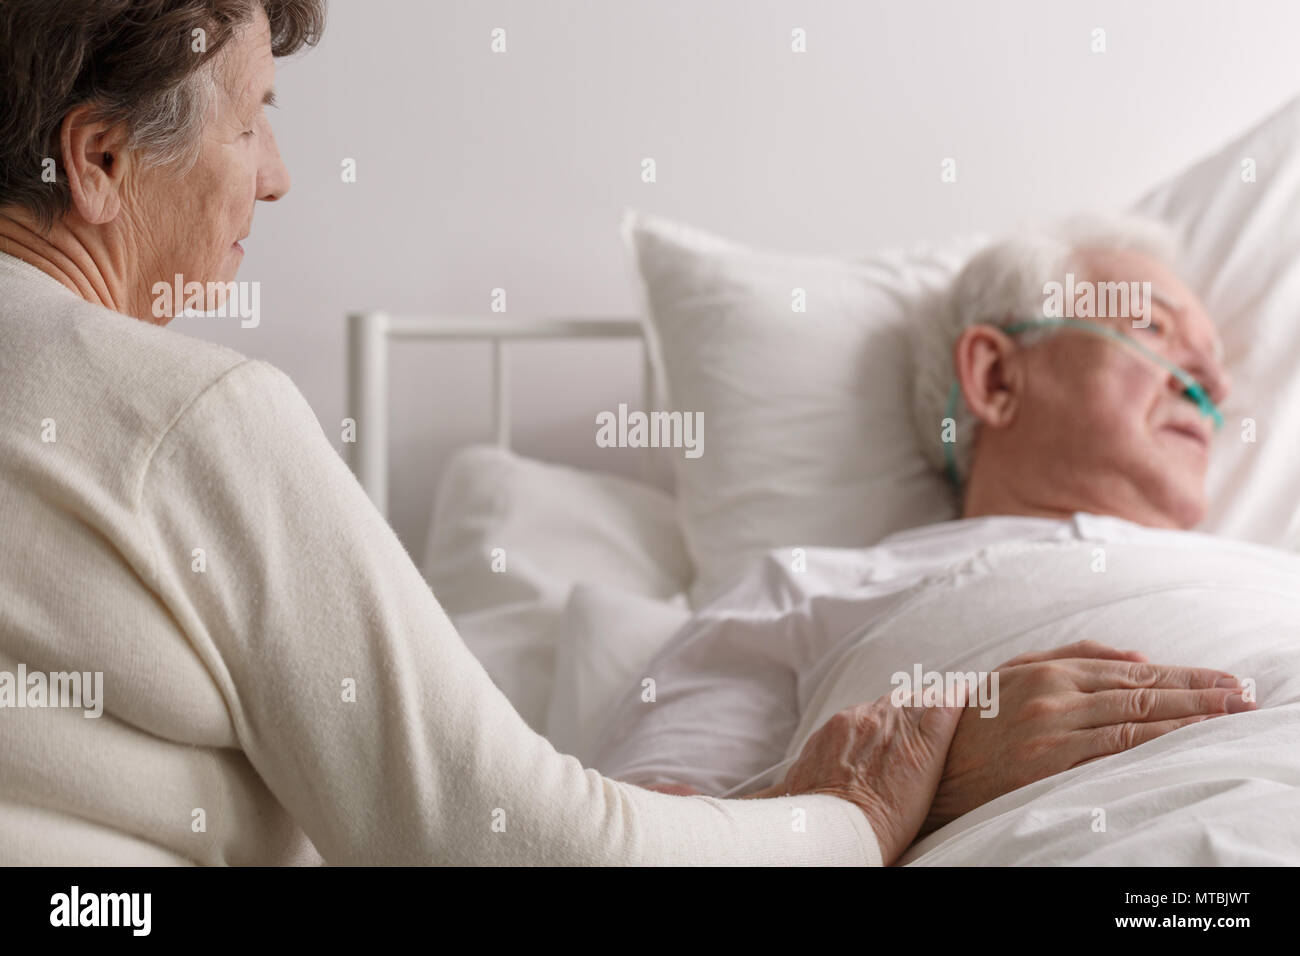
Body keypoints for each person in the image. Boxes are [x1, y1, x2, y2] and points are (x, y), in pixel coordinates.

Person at [0, 0, 979, 867]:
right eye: (251, 120)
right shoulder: (192, 416)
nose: (276, 177)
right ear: (100, 160)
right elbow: (498, 842)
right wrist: (847, 815)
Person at [597, 219, 1255, 844]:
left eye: (1217, 364)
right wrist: (896, 789)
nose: (1215, 385)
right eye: (1151, 326)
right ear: (997, 377)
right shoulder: (800, 593)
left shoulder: (1266, 571)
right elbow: (649, 848)